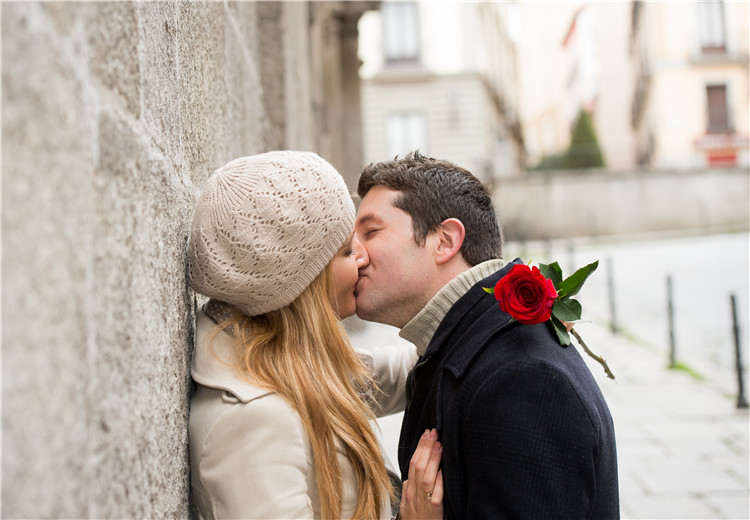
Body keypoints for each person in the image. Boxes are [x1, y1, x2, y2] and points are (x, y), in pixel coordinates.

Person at [354, 151, 620, 519]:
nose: (354, 254)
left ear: (445, 241)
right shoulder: (465, 343)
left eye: (370, 231)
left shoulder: (523, 380)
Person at [185, 151, 444, 520]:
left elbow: (412, 371)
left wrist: (500, 309)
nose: (361, 257)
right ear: (300, 282)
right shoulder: (252, 420)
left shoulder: (292, 363)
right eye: (345, 250)